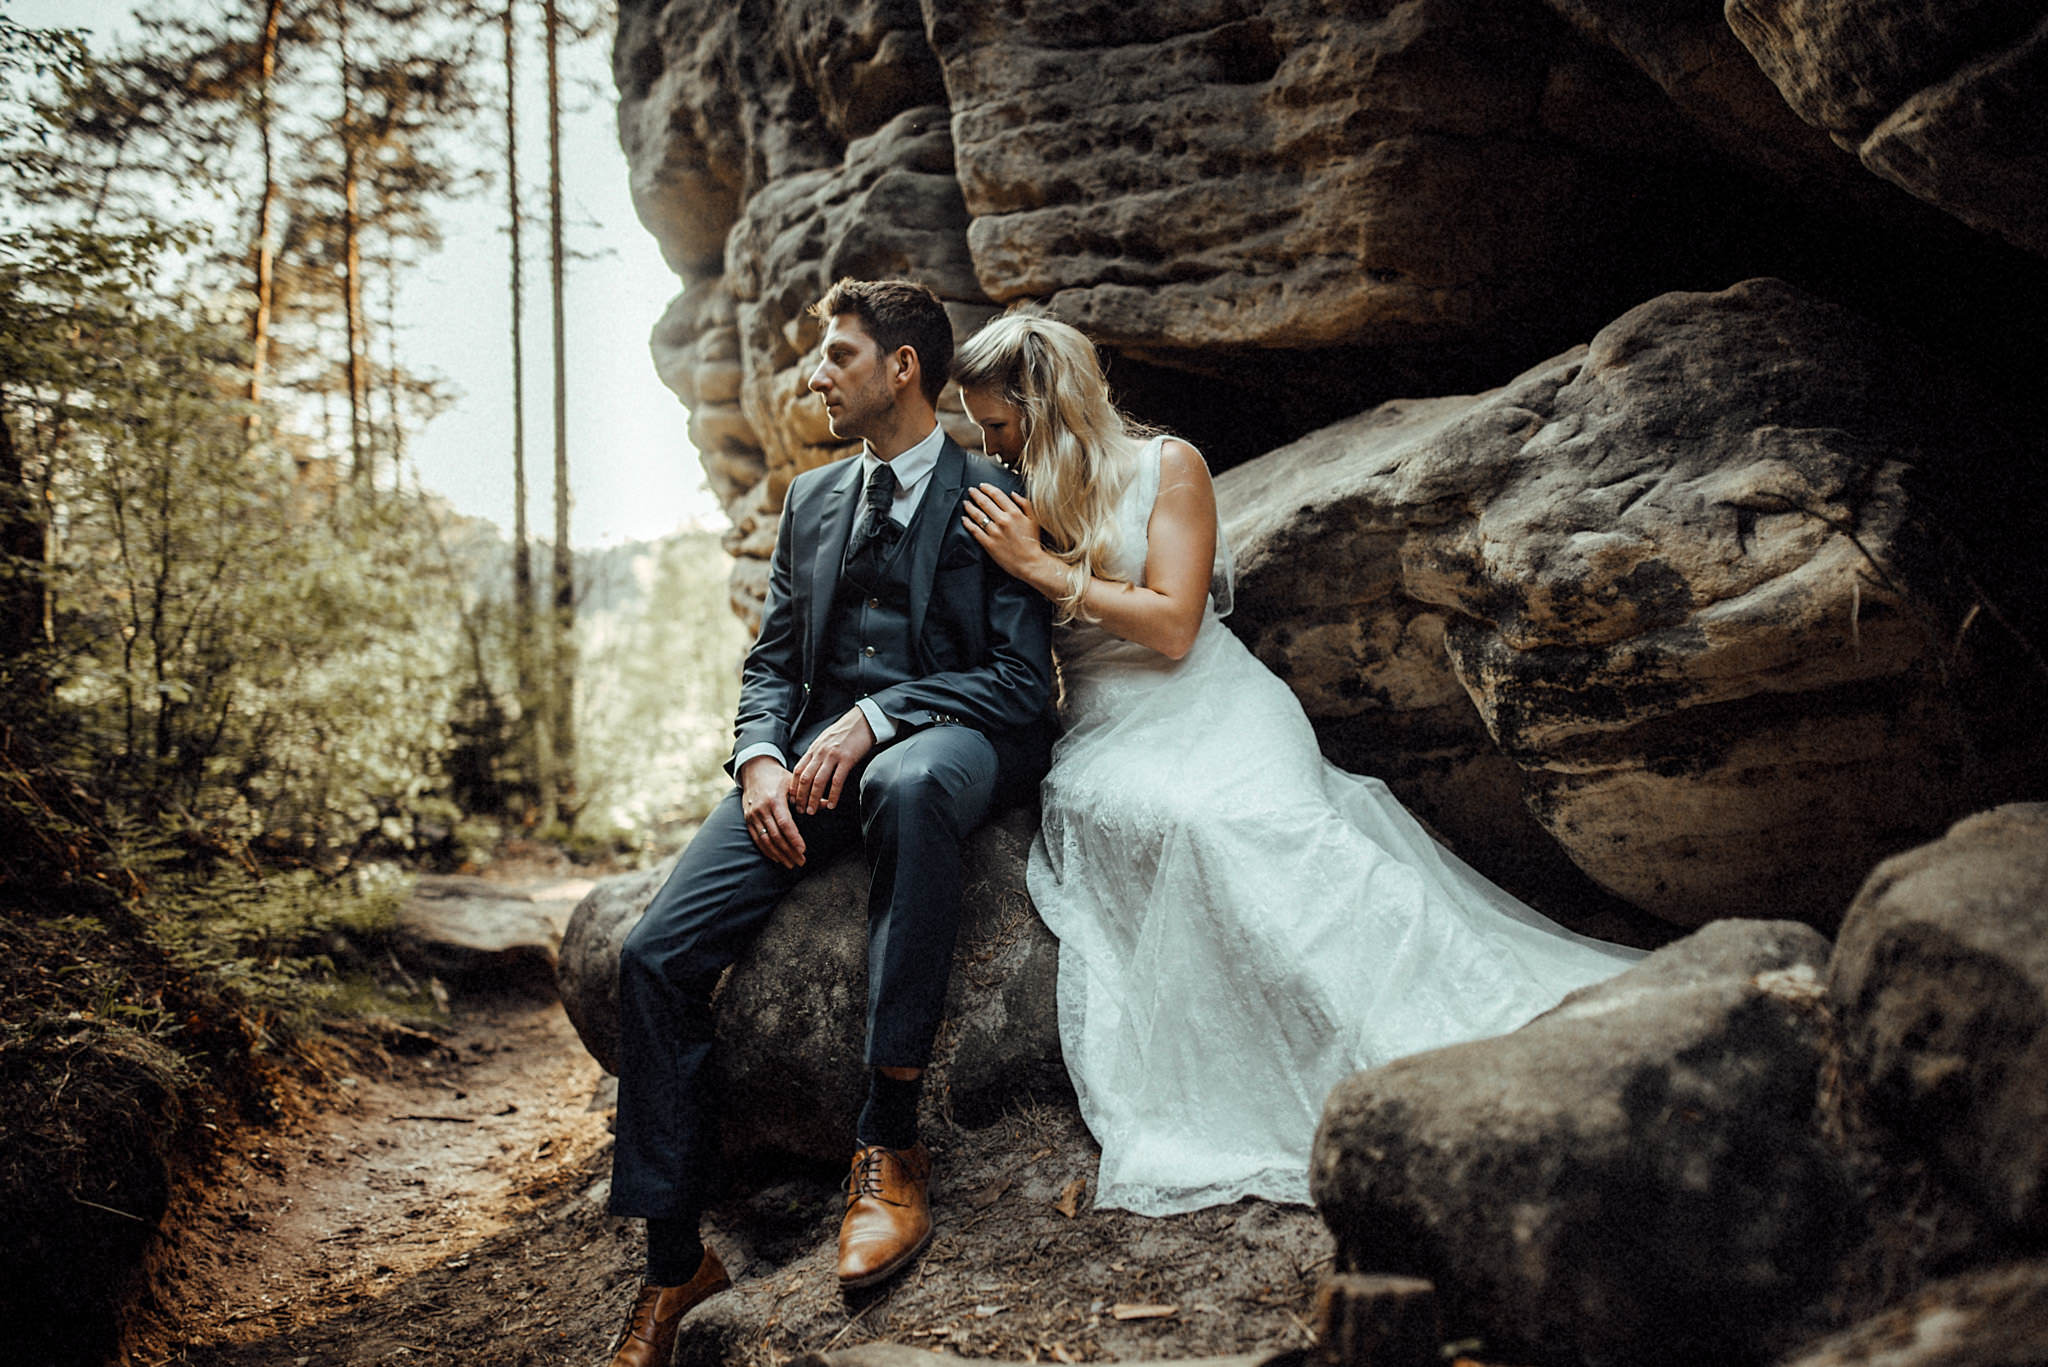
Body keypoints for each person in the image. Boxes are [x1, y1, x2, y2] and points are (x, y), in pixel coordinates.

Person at [952, 313, 1644, 1217]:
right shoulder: (1014, 491)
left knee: (1262, 827)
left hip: (1214, 702)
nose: (989, 444)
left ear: (1046, 405)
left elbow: (1171, 625)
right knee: (1182, 826)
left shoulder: (1171, 468)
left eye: (998, 424)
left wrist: (1042, 571)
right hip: (1109, 732)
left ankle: (1445, 1032)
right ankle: (1332, 1052)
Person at [600, 280, 1056, 1366]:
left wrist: (877, 713)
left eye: (837, 356)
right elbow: (768, 663)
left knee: (904, 785)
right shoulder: (807, 501)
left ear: (902, 367)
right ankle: (675, 1262)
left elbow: (1014, 679)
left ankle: (887, 1145)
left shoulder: (991, 488)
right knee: (650, 955)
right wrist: (758, 756)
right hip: (800, 763)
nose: (815, 377)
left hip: (944, 735)